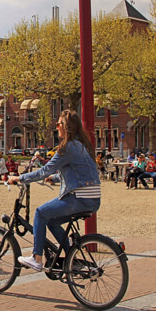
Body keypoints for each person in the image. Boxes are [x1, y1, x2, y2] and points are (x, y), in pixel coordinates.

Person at [7, 110, 101, 272]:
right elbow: (78, 171)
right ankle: (71, 257)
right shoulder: (81, 146)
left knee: (40, 213)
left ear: (66, 127)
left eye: (58, 124)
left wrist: (19, 178)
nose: (56, 127)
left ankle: (37, 258)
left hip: (78, 198)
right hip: (93, 199)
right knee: (51, 221)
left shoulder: (67, 147)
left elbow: (44, 171)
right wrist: (56, 179)